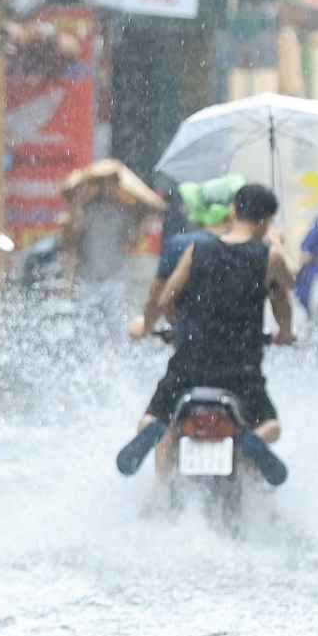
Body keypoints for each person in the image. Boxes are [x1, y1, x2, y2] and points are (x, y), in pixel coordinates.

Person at [117, 182, 294, 486]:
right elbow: (285, 294)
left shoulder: (196, 250)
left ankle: (154, 433)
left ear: (233, 211)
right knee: (271, 425)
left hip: (189, 366)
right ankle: (254, 440)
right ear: (267, 220)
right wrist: (284, 333)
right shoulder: (269, 257)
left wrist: (171, 325)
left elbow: (164, 300)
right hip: (240, 372)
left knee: (154, 416)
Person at [138, 174, 243, 333]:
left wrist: (145, 326)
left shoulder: (179, 246)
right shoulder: (254, 248)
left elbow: (158, 300)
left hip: (191, 337)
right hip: (240, 338)